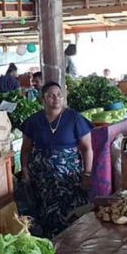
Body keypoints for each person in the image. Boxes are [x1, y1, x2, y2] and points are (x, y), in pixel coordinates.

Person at [20, 81, 94, 238]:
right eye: (51, 95)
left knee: (71, 212)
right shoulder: (34, 120)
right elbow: (26, 149)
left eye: (59, 95)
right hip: (42, 178)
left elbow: (87, 148)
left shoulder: (74, 118)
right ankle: (50, 243)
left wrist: (87, 174)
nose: (56, 98)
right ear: (43, 99)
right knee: (45, 210)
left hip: (68, 176)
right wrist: (25, 171)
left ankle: (73, 244)